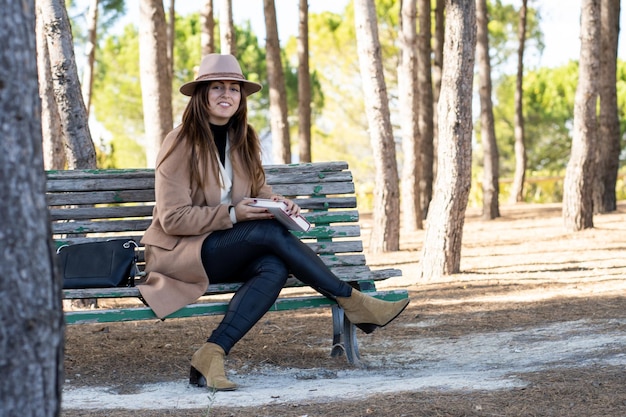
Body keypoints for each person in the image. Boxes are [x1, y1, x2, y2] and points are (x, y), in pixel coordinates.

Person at [137, 53, 410, 391]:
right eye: (217, 87)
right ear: (201, 95)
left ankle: (212, 352)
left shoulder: (243, 139)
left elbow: (257, 188)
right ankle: (351, 301)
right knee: (267, 233)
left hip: (226, 250)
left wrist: (276, 202)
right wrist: (235, 214)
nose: (227, 95)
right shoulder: (179, 142)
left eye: (234, 89)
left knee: (273, 266)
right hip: (181, 255)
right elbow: (173, 217)